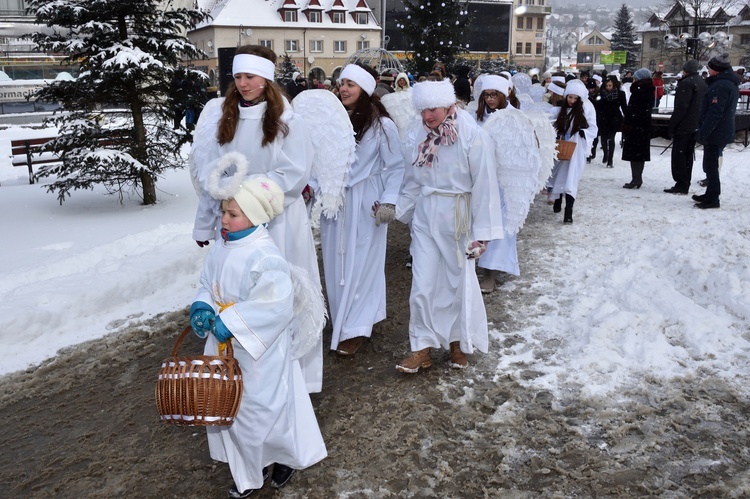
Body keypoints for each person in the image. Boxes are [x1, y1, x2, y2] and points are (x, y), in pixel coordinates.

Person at [189, 45, 323, 393]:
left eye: (250, 76)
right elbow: (214, 174)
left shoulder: (288, 122)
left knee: (280, 296)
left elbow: (293, 173)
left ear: (265, 78)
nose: (243, 84)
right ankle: (246, 375)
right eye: (238, 77)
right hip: (234, 223)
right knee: (242, 292)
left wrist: (251, 201)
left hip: (278, 220)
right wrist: (207, 222)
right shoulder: (227, 118)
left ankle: (294, 379)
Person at [189, 176, 327, 498]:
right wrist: (202, 306)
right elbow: (208, 284)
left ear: (255, 217)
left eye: (233, 214)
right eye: (223, 211)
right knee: (232, 407)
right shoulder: (221, 247)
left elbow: (274, 304)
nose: (224, 219)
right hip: (225, 345)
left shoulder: (265, 255)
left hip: (259, 352)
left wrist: (234, 322)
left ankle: (281, 457)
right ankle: (248, 473)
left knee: (262, 407)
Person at [395, 79, 503, 372]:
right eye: (422, 110)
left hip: (458, 215)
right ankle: (421, 347)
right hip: (427, 214)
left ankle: (457, 341)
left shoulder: (471, 134)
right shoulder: (418, 134)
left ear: (449, 105)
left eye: (432, 109)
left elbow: (485, 184)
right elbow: (412, 178)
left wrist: (482, 234)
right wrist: (398, 209)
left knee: (457, 282)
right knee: (423, 284)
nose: (427, 116)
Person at [321, 64, 405, 356]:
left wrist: (388, 201)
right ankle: (342, 319)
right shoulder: (332, 121)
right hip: (336, 203)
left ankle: (357, 326)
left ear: (365, 90)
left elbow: (396, 167)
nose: (343, 88)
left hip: (367, 203)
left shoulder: (383, 125)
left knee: (362, 265)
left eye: (351, 84)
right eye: (341, 82)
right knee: (336, 264)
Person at [472, 75, 524, 292]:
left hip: (504, 183)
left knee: (499, 227)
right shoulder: (476, 116)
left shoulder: (515, 118)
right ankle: (477, 264)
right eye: (487, 95)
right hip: (480, 179)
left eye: (494, 95)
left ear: (504, 95)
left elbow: (523, 151)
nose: (490, 99)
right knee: (479, 223)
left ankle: (491, 273)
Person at [692, 54, 740, 209]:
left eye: (710, 67)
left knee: (711, 166)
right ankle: (710, 194)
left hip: (716, 132)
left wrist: (703, 132)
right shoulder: (726, 83)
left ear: (717, 69)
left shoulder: (721, 85)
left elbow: (715, 113)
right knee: (711, 165)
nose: (708, 69)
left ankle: (713, 198)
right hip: (721, 130)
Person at [548, 79, 598, 223]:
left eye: (576, 98)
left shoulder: (586, 110)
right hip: (562, 147)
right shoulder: (559, 110)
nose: (572, 100)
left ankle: (568, 210)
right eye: (570, 97)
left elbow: (593, 128)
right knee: (558, 175)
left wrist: (583, 133)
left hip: (577, 148)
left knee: (572, 178)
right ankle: (558, 200)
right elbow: (551, 123)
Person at [664, 59, 707, 194]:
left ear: (685, 70)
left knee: (679, 156)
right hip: (695, 124)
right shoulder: (701, 82)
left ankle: (681, 184)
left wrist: (672, 126)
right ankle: (685, 182)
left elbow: (681, 107)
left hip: (684, 125)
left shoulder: (686, 83)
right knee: (688, 155)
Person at [621, 68, 655, 189]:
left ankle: (636, 179)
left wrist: (627, 123)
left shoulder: (639, 90)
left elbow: (633, 110)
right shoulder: (648, 89)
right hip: (643, 126)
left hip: (635, 126)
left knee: (635, 154)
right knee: (640, 154)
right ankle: (637, 177)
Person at [597, 75, 627, 168]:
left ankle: (610, 160)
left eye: (610, 85)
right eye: (606, 86)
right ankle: (606, 153)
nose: (608, 87)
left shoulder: (620, 94)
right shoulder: (601, 94)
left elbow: (624, 106)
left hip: (614, 118)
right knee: (603, 138)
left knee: (611, 138)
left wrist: (627, 116)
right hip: (603, 118)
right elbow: (597, 106)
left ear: (614, 85)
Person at [586, 79, 600, 163]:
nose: (591, 90)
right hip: (588, 117)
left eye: (592, 88)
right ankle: (588, 154)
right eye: (589, 88)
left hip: (598, 117)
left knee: (595, 136)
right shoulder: (585, 96)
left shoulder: (598, 94)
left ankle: (593, 150)